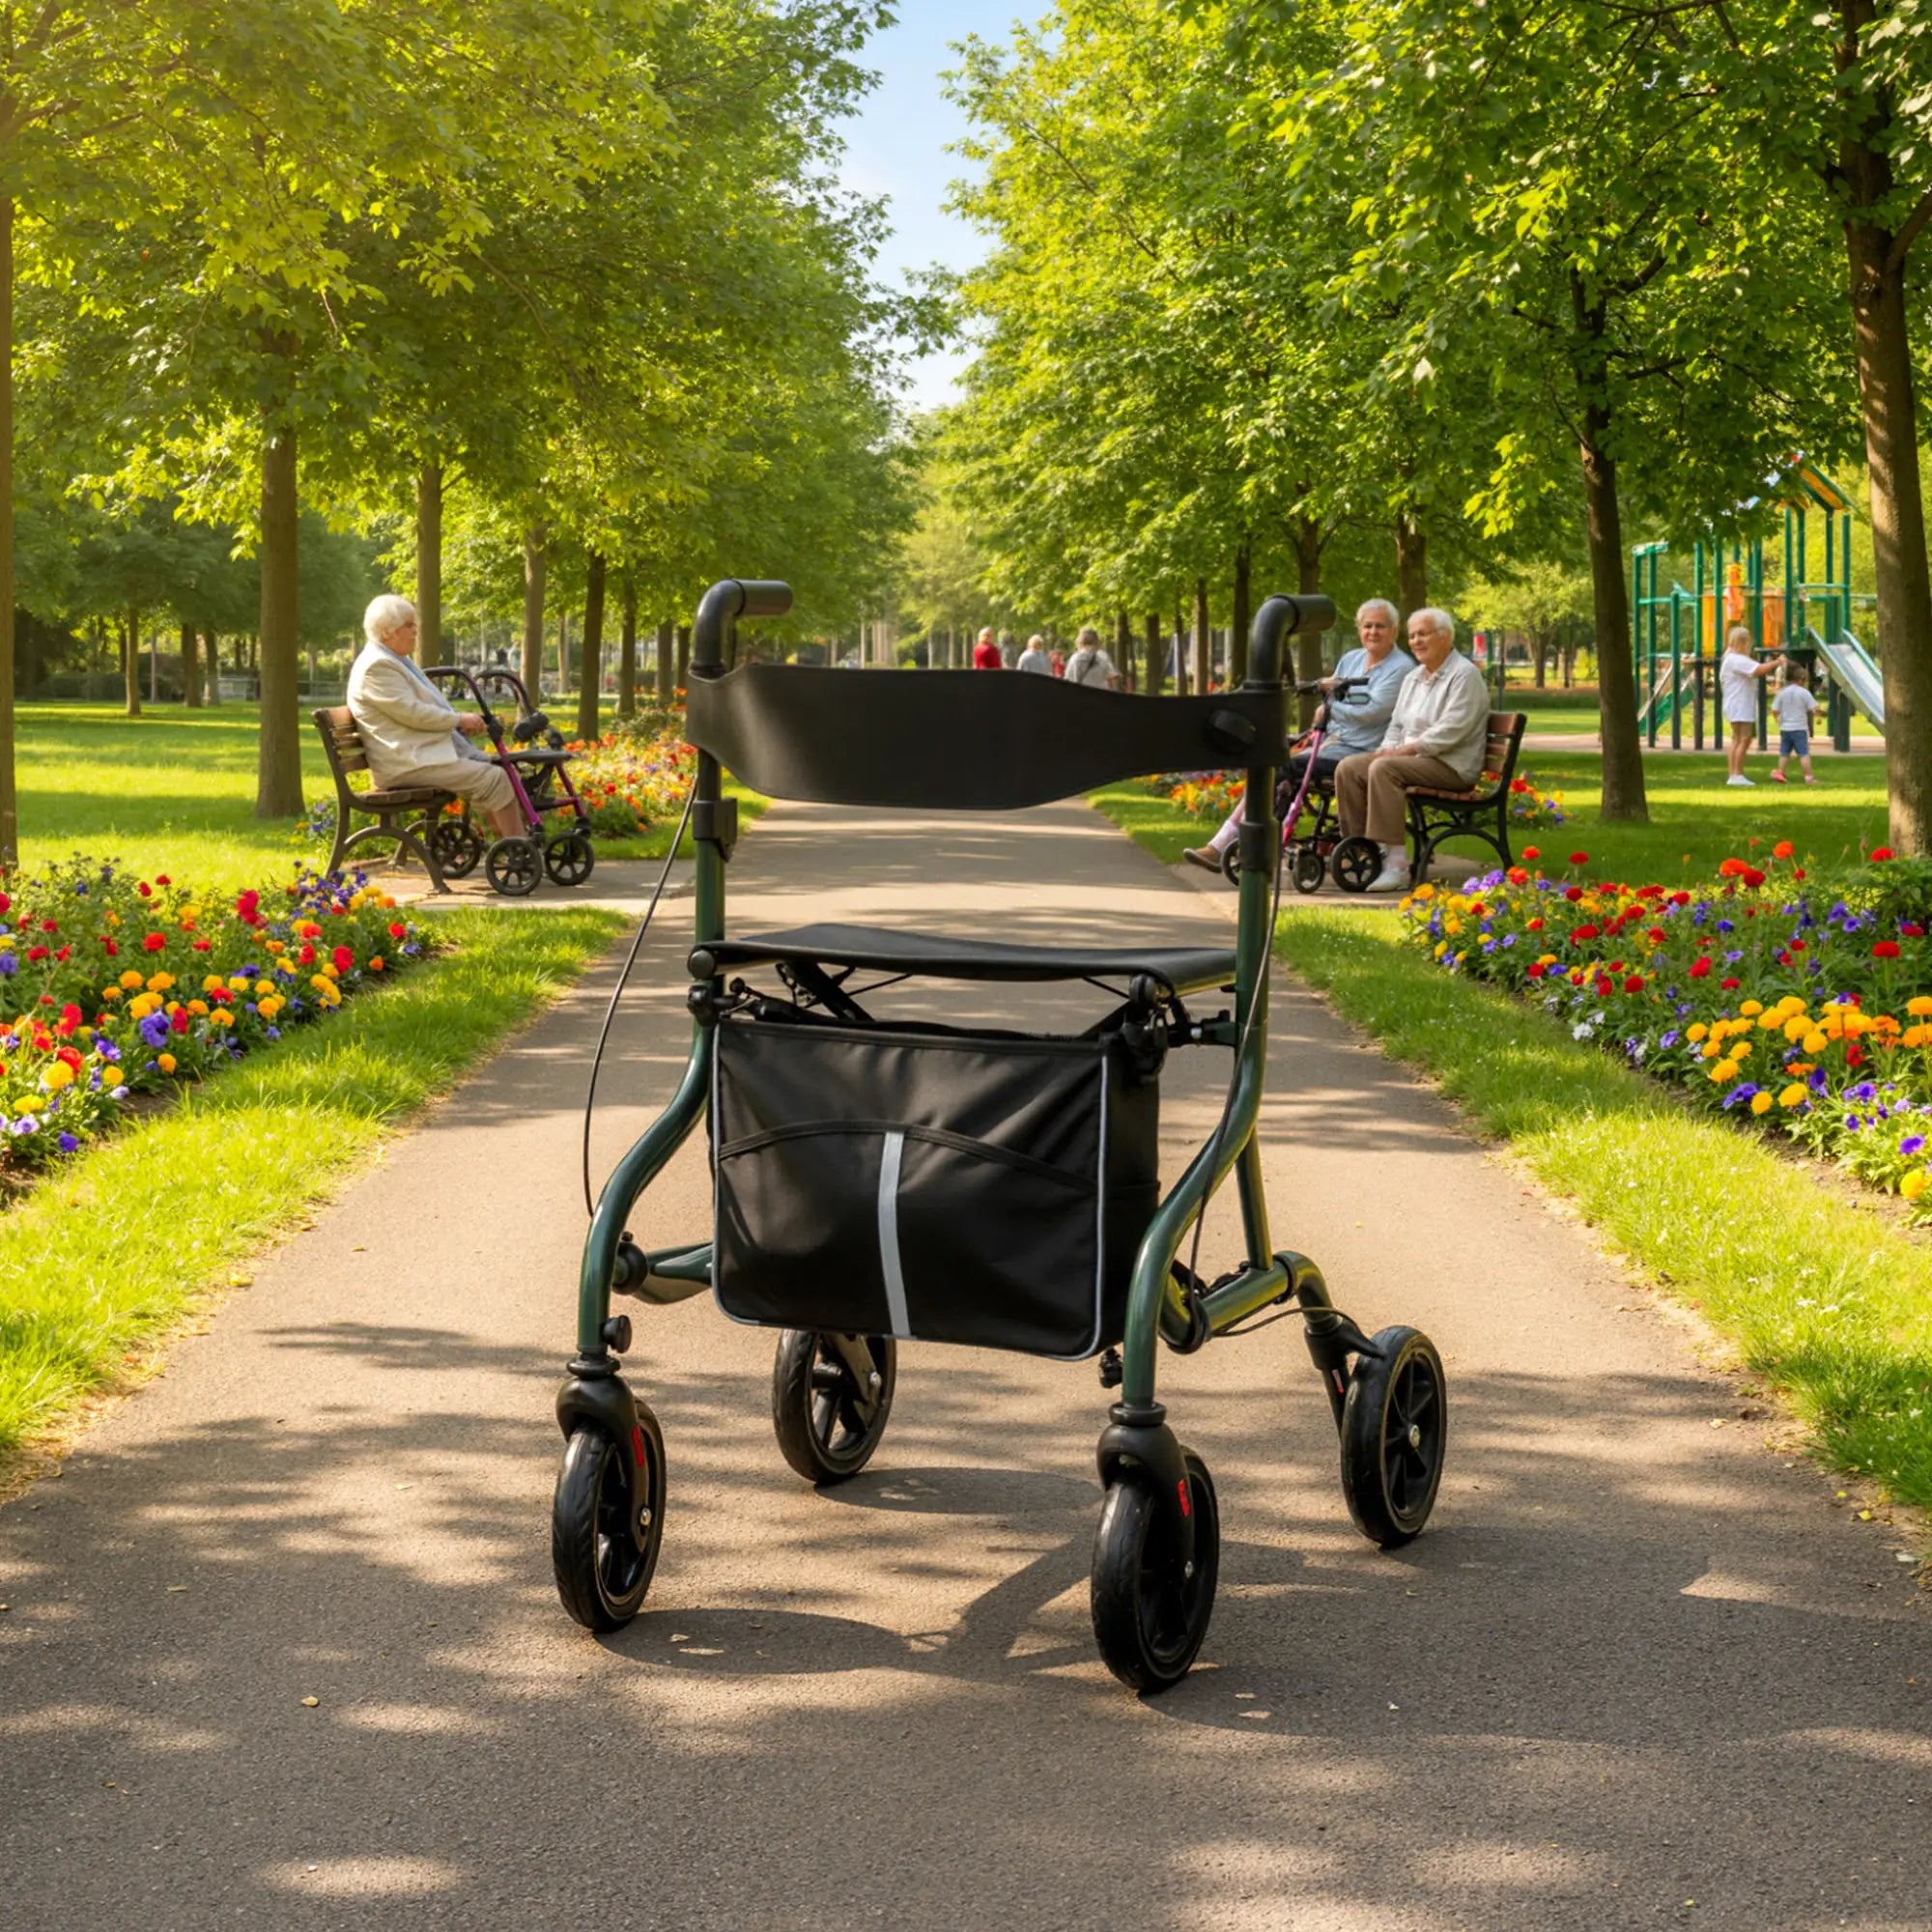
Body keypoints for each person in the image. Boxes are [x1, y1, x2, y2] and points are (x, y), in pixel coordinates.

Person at [1183, 599, 1413, 874]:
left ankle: (1242, 843)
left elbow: (1373, 712)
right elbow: (1336, 696)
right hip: (1332, 742)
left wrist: (1329, 708)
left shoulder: (1400, 668)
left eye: (1380, 626)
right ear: (1359, 628)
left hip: (1361, 750)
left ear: (1394, 630)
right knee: (1271, 762)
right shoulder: (1351, 659)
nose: (1372, 632)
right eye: (1367, 626)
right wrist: (1327, 699)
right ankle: (1227, 841)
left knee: (1284, 767)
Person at [1333, 607, 1491, 895]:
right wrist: (1386, 749)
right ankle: (1360, 852)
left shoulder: (1464, 675)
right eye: (1413, 635)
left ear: (1445, 637)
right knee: (1350, 766)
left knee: (1384, 769)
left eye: (1423, 634)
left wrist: (1400, 754)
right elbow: (1396, 726)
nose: (1416, 641)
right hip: (1414, 759)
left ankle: (1397, 867)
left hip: (1450, 765)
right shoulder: (1415, 676)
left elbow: (1450, 731)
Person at [347, 594, 525, 840]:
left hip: (417, 755)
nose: (415, 630)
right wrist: (457, 720)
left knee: (494, 769)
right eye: (409, 625)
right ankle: (518, 847)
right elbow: (412, 712)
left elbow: (424, 707)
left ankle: (510, 848)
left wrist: (459, 724)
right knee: (493, 778)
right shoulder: (377, 667)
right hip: (406, 763)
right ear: (387, 632)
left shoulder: (396, 660)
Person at [1720, 625, 1782, 785]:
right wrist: (1778, 661)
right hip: (1740, 703)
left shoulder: (1730, 657)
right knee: (1745, 738)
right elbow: (1758, 670)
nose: (1749, 645)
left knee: (1737, 739)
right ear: (1742, 642)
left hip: (1734, 702)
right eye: (1747, 642)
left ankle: (1733, 774)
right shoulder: (1737, 659)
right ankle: (1738, 774)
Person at [1771, 663, 1820, 785]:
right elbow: (1814, 708)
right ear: (1803, 679)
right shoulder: (1804, 693)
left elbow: (1774, 709)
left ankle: (1780, 772)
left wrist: (1777, 718)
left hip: (1785, 728)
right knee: (1803, 753)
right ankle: (1808, 777)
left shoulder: (1782, 692)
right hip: (1799, 728)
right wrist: (1820, 715)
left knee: (1784, 752)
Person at [1065, 625, 1119, 689]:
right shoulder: (1103, 656)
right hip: (1100, 695)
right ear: (1096, 640)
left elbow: (1067, 680)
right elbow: (1112, 678)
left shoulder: (1074, 658)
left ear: (1080, 641)